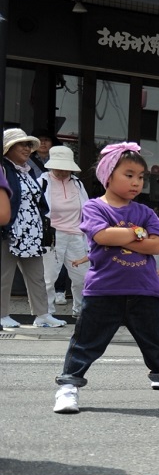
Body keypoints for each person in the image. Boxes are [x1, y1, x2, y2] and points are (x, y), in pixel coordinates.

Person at [52, 142, 159, 412]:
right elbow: (102, 236)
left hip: (145, 291)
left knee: (153, 343)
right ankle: (68, 387)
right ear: (107, 175)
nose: (136, 182)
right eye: (129, 174)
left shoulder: (146, 211)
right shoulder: (94, 208)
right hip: (103, 290)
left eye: (140, 177)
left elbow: (156, 246)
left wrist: (125, 236)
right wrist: (139, 234)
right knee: (86, 343)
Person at [2, 128, 63, 328]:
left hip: (31, 233)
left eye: (29, 145)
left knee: (37, 275)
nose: (27, 149)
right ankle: (2, 314)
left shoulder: (27, 171)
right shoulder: (3, 168)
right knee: (4, 275)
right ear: (8, 147)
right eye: (22, 144)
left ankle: (42, 315)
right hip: (10, 231)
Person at [38, 146, 90, 316]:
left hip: (76, 235)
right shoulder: (43, 181)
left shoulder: (77, 183)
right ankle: (46, 313)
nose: (62, 172)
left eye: (65, 168)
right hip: (53, 235)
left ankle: (80, 310)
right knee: (48, 277)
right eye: (58, 167)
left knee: (82, 276)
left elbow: (87, 209)